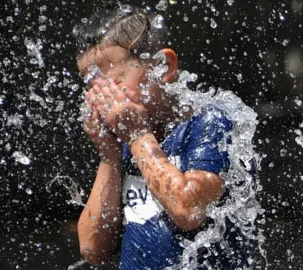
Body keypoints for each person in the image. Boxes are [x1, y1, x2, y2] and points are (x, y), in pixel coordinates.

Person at [73, 3, 252, 269]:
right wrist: (108, 156)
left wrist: (137, 136)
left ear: (162, 67)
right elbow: (92, 249)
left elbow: (189, 210)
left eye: (116, 84)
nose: (104, 102)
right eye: (94, 90)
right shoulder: (127, 141)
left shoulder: (207, 123)